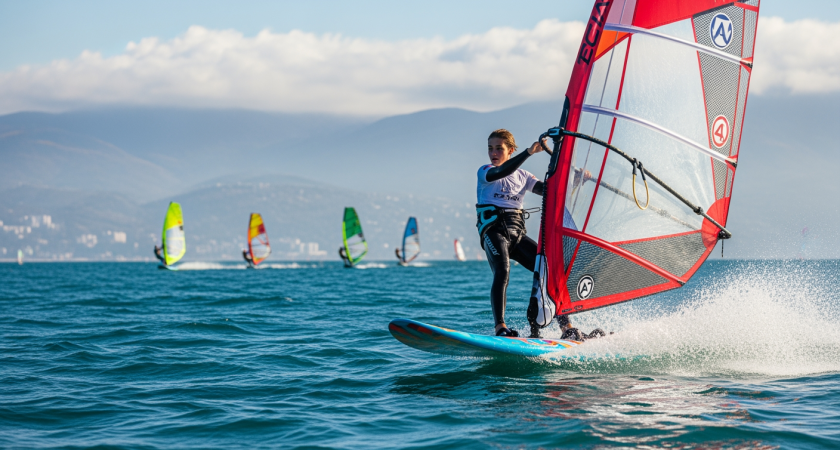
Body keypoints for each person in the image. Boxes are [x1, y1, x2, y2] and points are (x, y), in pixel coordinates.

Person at [476, 129, 602, 340]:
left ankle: (566, 327)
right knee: (502, 270)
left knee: (549, 270)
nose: (493, 153)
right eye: (490, 148)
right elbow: (501, 172)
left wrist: (576, 179)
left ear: (510, 150)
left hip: (517, 234)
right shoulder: (485, 171)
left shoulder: (523, 176)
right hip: (494, 232)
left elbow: (549, 191)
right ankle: (500, 327)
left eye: (499, 148)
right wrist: (528, 152)